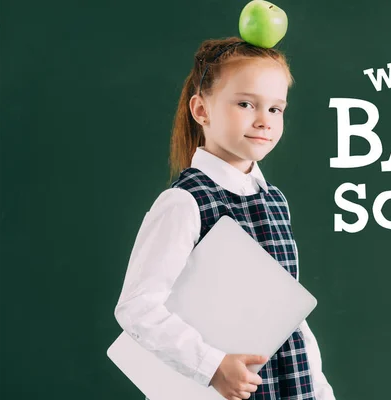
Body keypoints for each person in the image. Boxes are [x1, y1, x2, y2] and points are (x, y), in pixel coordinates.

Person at [114, 36, 336, 400]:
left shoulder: (275, 201)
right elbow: (137, 308)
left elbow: (290, 318)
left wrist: (322, 392)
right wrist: (211, 365)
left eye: (276, 109)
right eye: (246, 103)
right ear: (201, 110)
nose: (264, 121)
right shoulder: (185, 202)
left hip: (293, 388)